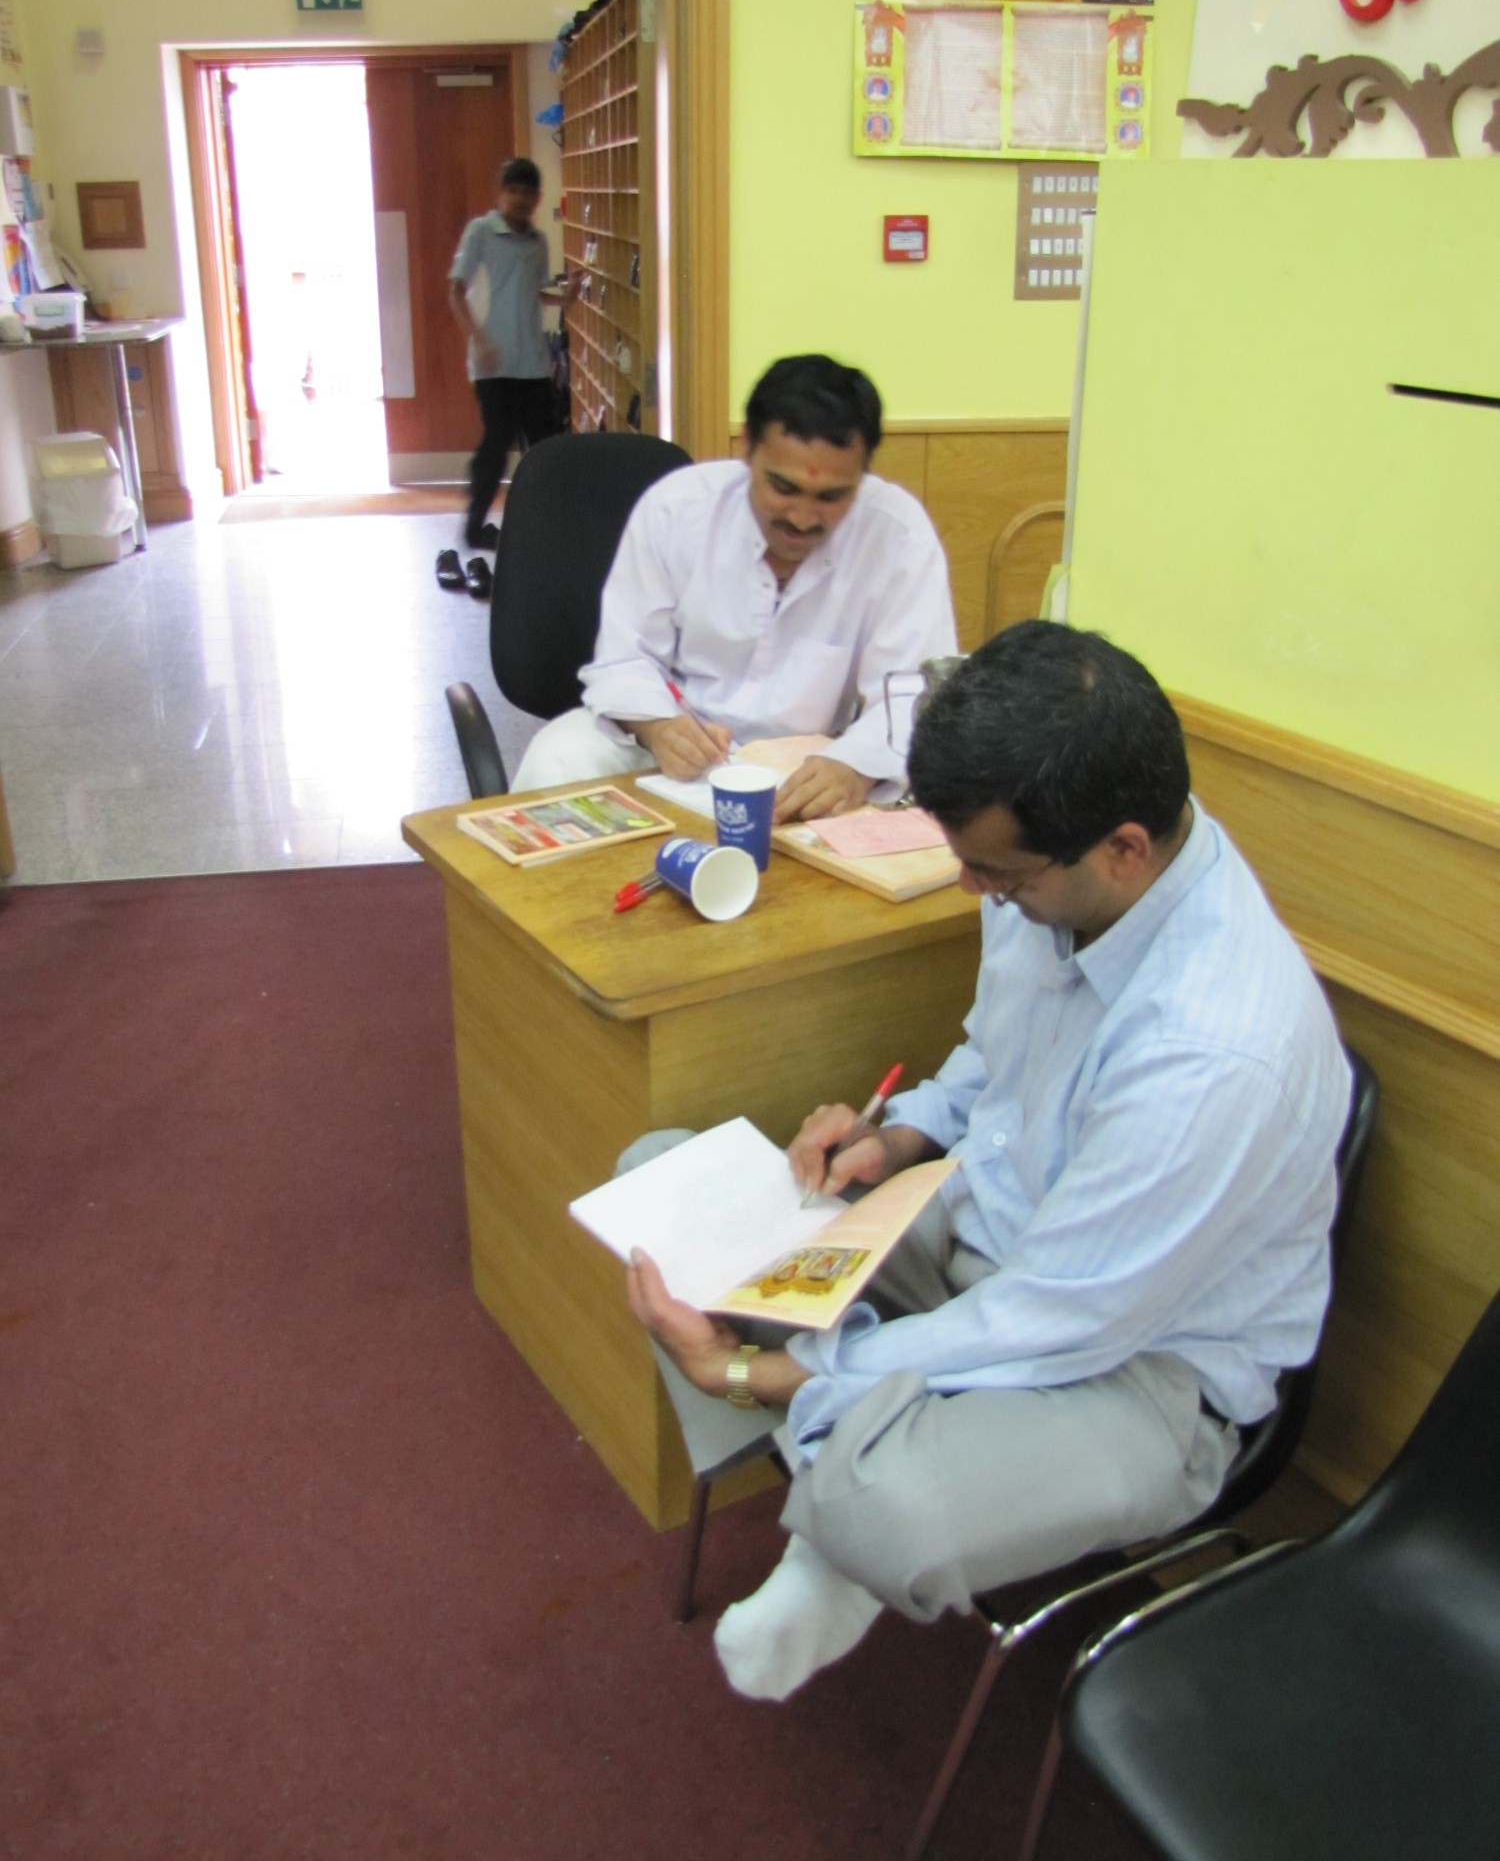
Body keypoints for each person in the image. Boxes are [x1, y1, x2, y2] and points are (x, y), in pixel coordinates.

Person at [627, 621, 1351, 1701]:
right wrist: (901, 1132)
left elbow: (1060, 1316)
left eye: (994, 871)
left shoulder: (1213, 1052)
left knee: (887, 1502)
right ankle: (866, 1422)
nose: (971, 888)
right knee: (664, 1184)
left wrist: (754, 1371)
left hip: (1139, 1364)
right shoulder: (1066, 866)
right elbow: (991, 1054)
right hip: (980, 1226)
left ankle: (843, 1482)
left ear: (1123, 847)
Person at [510, 354, 958, 824]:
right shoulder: (676, 510)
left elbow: (913, 694)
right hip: (671, 745)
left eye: (831, 497)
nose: (802, 519)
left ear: (862, 474)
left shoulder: (897, 535)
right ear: (749, 449)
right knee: (557, 755)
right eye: (783, 488)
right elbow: (625, 658)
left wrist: (855, 766)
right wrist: (661, 728)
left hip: (812, 764)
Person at [448, 156, 574, 553]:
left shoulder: (538, 243)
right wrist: (478, 339)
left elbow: (535, 291)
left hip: (533, 363)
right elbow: (455, 289)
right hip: (492, 366)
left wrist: (564, 298)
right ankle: (474, 525)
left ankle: (546, 524)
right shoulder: (481, 233)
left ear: (537, 198)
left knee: (544, 447)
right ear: (500, 193)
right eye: (512, 190)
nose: (519, 199)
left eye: (526, 192)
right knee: (496, 443)